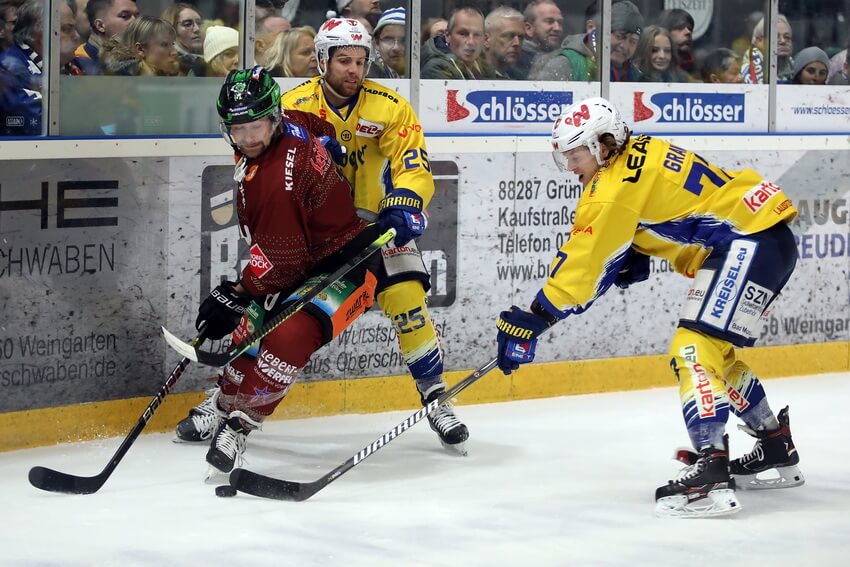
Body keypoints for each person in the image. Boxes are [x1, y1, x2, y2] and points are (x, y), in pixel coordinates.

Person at [494, 97, 804, 518]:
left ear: (602, 145)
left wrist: (538, 315)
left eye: (575, 155)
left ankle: (712, 466)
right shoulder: (642, 146)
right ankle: (773, 443)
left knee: (691, 350)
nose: (570, 166)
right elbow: (663, 205)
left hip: (746, 244)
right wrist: (637, 248)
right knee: (714, 355)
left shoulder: (610, 190)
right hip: (765, 238)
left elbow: (584, 263)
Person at [278, 18, 470, 453]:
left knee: (407, 299)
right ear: (323, 60)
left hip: (375, 227)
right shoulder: (292, 105)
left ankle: (436, 396)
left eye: (360, 61)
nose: (354, 70)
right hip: (311, 232)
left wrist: (405, 201)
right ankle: (225, 401)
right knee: (273, 310)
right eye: (343, 60)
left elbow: (413, 164)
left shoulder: (389, 106)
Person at [191, 65, 385, 476]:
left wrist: (236, 292)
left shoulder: (277, 182)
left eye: (255, 127)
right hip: (304, 253)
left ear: (273, 117)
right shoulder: (286, 123)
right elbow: (316, 124)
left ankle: (240, 424)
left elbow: (283, 265)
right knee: (251, 322)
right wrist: (328, 144)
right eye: (238, 128)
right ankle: (222, 402)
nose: (247, 138)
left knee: (286, 333)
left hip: (347, 263)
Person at [529, 0, 643, 82]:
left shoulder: (635, 74)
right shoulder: (563, 64)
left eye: (633, 41)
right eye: (619, 36)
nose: (625, 46)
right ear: (593, 29)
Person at [421, 6, 495, 80]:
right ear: (448, 35)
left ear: (485, 39)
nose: (471, 42)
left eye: (477, 34)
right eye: (463, 34)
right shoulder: (436, 69)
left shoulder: (486, 67)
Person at [69, 0, 139, 75]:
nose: (136, 22)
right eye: (124, 16)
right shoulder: (76, 65)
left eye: (137, 16)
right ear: (100, 26)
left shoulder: (139, 60)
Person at [100, 15, 179, 76]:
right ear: (140, 49)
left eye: (172, 44)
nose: (174, 52)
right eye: (165, 45)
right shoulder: (125, 81)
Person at [742, 15, 793, 84]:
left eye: (787, 37)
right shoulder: (745, 69)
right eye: (775, 37)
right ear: (759, 41)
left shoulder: (794, 65)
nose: (783, 41)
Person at [518, 0, 564, 74]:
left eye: (560, 22)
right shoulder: (514, 62)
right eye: (549, 21)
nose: (557, 28)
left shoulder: (564, 59)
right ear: (529, 28)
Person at [160, 2, 204, 76]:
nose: (197, 29)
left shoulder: (211, 62)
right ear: (171, 30)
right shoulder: (166, 67)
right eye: (187, 24)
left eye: (199, 23)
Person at [483, 5, 525, 80]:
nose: (517, 43)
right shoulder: (471, 78)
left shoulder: (521, 77)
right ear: (486, 40)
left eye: (521, 37)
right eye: (509, 36)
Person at [655, 8, 695, 79]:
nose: (688, 32)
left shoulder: (695, 66)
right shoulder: (650, 67)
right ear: (665, 30)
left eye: (690, 28)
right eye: (680, 27)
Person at [369, 6, 406, 79]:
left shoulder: (423, 74)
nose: (396, 48)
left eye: (403, 40)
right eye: (388, 40)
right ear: (377, 43)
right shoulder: (368, 77)